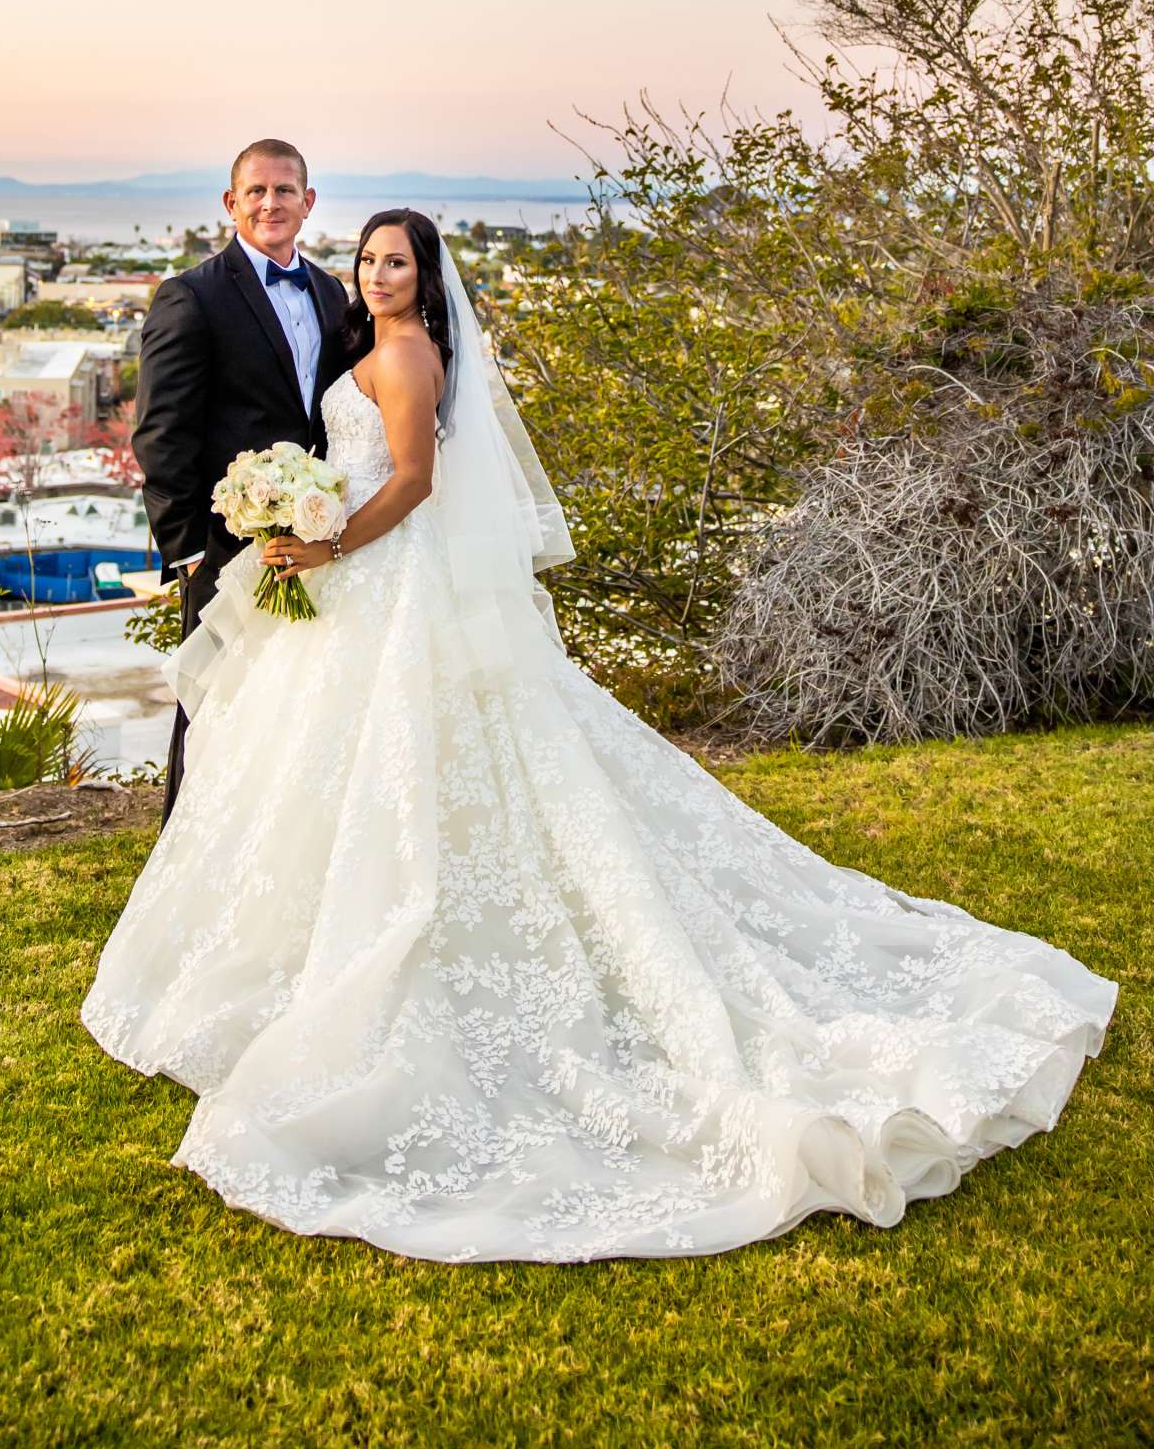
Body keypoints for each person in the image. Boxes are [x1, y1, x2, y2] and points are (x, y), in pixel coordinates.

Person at [87, 208, 1118, 1264]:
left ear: (426, 273)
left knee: (405, 761)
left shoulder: (407, 358)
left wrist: (329, 540)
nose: (378, 273)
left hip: (375, 572)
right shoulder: (375, 343)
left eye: (396, 261)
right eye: (368, 260)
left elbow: (412, 482)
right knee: (333, 767)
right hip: (361, 584)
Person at [131, 138, 349, 823]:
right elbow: (160, 431)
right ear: (231, 203)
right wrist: (189, 549)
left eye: (285, 190)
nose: (270, 203)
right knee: (211, 700)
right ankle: (181, 848)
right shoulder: (191, 296)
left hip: (313, 540)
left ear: (308, 202)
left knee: (291, 701)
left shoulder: (331, 291)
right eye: (255, 191)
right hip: (226, 549)